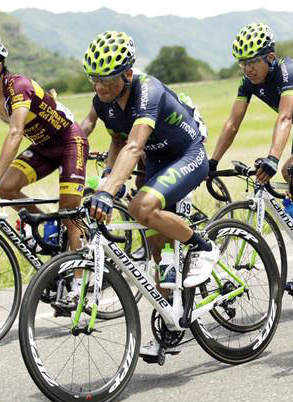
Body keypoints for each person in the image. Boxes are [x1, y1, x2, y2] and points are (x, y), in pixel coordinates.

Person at [81, 31, 218, 359]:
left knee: (141, 206)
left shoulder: (148, 91)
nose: (100, 87)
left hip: (187, 154)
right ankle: (172, 322)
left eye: (107, 79)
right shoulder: (104, 101)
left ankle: (202, 246)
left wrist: (110, 190)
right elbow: (116, 141)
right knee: (158, 247)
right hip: (158, 160)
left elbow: (134, 145)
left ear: (128, 74)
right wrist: (104, 184)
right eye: (94, 79)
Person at [0, 37, 89, 302]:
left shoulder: (19, 86)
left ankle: (78, 290)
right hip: (43, 147)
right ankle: (47, 226)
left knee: (70, 214)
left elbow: (15, 132)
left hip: (70, 142)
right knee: (8, 187)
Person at [209, 23, 293, 208]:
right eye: (243, 63)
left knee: (291, 170)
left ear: (270, 57)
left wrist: (272, 158)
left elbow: (285, 117)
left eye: (253, 61)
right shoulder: (247, 83)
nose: (248, 69)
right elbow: (233, 123)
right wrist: (213, 162)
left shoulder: (288, 70)